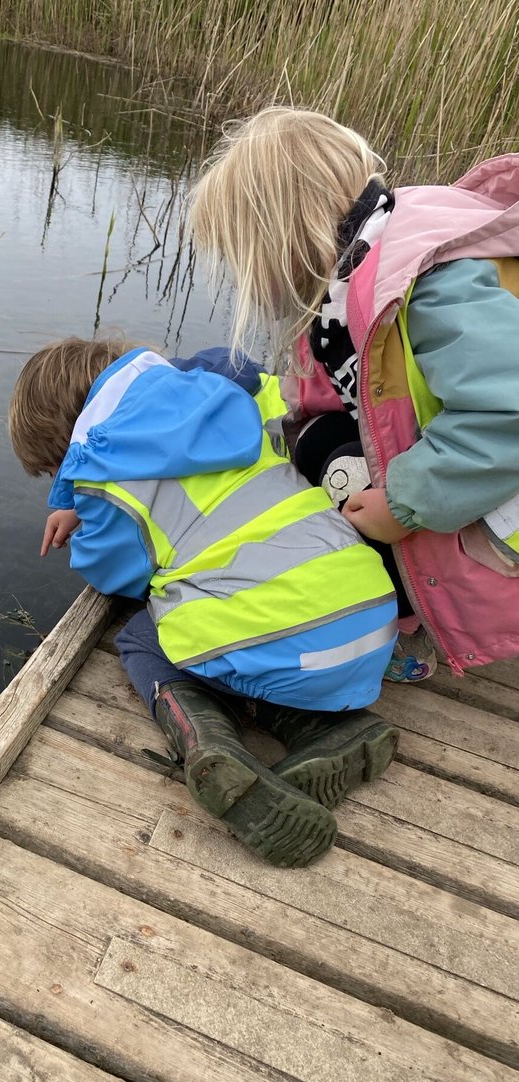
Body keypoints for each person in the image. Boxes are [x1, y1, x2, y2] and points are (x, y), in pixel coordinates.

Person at [9, 336, 399, 868]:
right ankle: (328, 729)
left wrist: (86, 506)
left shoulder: (104, 484)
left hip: (287, 642)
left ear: (68, 445)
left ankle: (208, 741)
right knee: (258, 622)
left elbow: (116, 577)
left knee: (144, 637)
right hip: (371, 612)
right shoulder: (226, 397)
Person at [188, 106, 519, 683]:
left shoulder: (431, 283)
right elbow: (343, 396)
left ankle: (413, 614)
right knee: (316, 441)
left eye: (249, 261)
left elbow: (508, 411)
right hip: (467, 465)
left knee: (352, 485)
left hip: (498, 485)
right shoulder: (354, 277)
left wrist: (405, 503)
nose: (252, 281)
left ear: (283, 235)